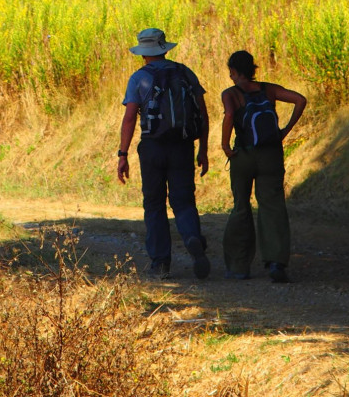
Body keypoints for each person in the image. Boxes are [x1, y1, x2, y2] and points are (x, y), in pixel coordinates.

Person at [118, 27, 211, 279]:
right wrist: (203, 148)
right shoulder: (185, 73)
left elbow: (129, 119)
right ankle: (192, 237)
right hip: (182, 146)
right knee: (183, 201)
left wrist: (122, 154)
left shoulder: (139, 78)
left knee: (154, 204)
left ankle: (160, 263)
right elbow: (202, 113)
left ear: (142, 53)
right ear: (164, 49)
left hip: (152, 147)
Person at [220, 50, 307, 283]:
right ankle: (276, 262)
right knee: (273, 205)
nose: (230, 77)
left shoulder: (231, 94)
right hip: (271, 154)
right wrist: (286, 130)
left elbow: (229, 114)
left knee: (241, 205)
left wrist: (225, 145)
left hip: (244, 154)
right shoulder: (269, 89)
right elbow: (300, 99)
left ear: (237, 73)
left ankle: (239, 266)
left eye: (231, 73)